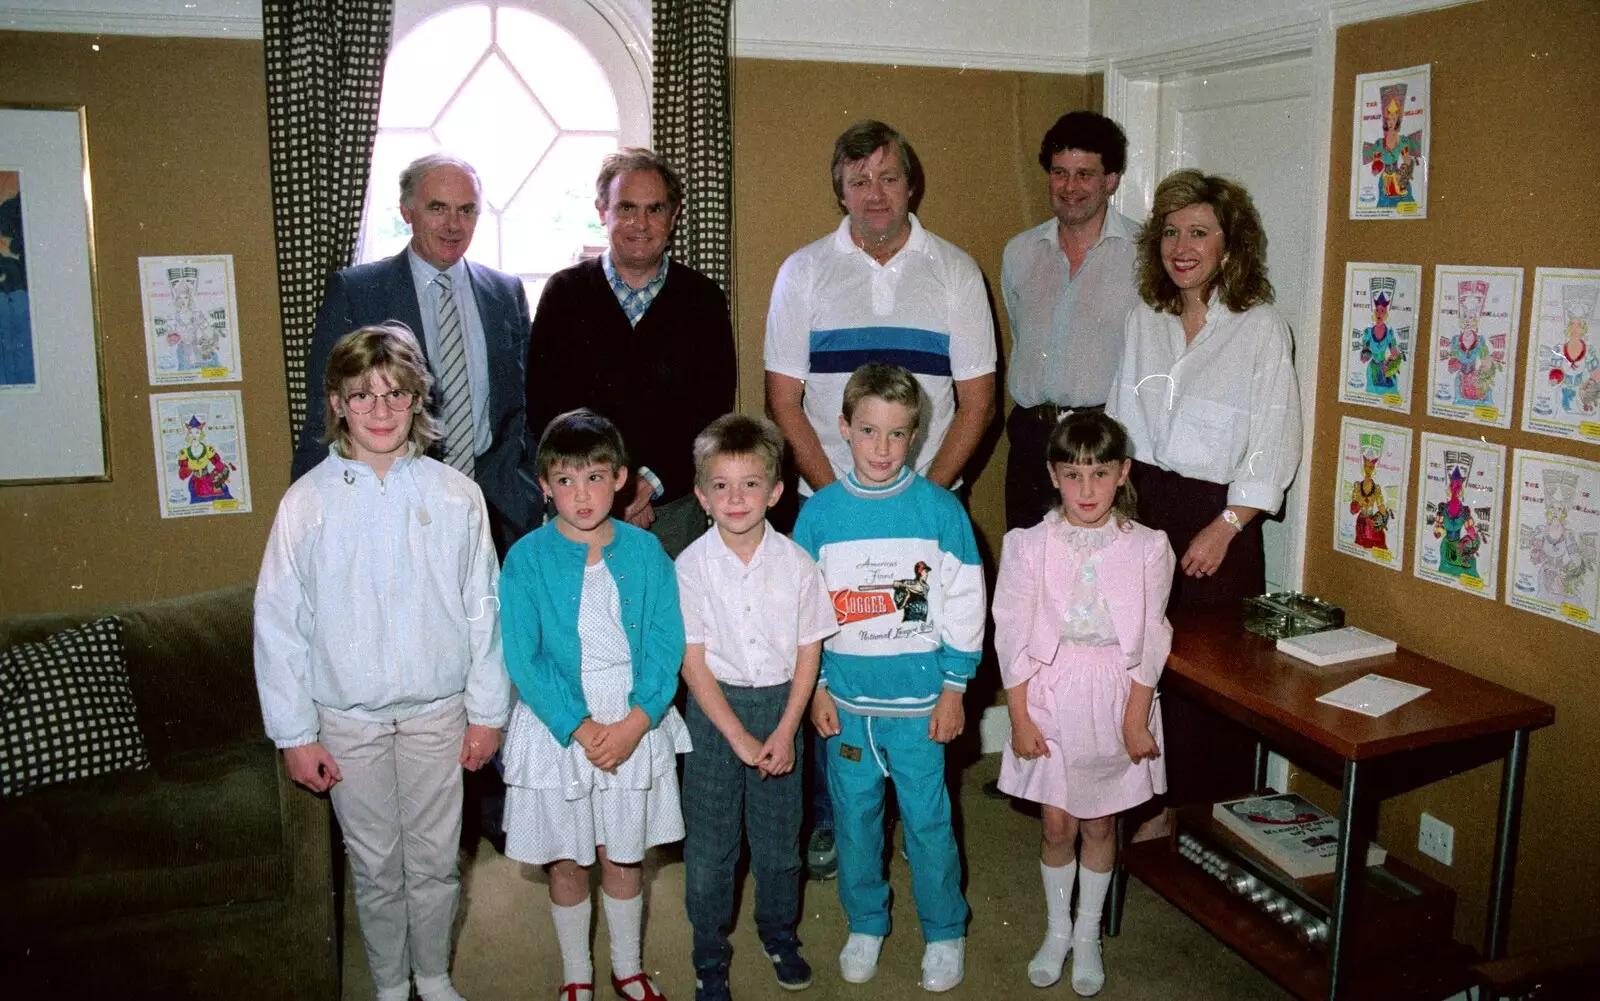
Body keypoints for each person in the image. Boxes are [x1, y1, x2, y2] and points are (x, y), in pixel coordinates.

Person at [765, 119, 996, 879]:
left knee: (913, 660)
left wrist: (913, 498)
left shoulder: (956, 271)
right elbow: (784, 399)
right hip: (828, 508)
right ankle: (837, 821)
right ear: (840, 187)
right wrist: (845, 501)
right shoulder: (802, 271)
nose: (874, 194)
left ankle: (922, 820)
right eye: (858, 180)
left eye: (888, 178)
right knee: (833, 665)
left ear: (911, 184)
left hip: (922, 520)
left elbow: (977, 400)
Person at [254, 322, 510, 1001]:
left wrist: (487, 713)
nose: (380, 409)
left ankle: (432, 972)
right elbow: (280, 623)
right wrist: (296, 733)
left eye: (396, 393)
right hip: (348, 719)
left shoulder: (456, 495)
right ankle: (392, 984)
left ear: (418, 399)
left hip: (438, 712)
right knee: (373, 863)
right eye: (362, 395)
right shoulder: (306, 503)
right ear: (336, 402)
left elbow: (484, 609)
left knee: (434, 860)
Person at [1106, 168, 1302, 830]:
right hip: (1145, 505)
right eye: (1169, 232)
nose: (1181, 246)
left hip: (1222, 519)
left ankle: (1199, 819)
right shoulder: (1145, 319)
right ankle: (1143, 803)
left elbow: (1274, 444)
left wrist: (1225, 526)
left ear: (1229, 243)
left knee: (1212, 682)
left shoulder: (1260, 327)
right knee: (1137, 662)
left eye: (1199, 232)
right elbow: (1119, 423)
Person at [794, 363, 986, 994]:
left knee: (929, 824)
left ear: (916, 436)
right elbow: (806, 610)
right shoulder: (819, 516)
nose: (882, 448)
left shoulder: (939, 512)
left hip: (921, 705)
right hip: (847, 706)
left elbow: (964, 602)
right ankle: (866, 922)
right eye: (870, 431)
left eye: (898, 434)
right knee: (855, 822)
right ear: (844, 428)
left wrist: (956, 686)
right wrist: (818, 685)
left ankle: (944, 930)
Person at [499, 409, 691, 1001]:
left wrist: (637, 721)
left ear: (622, 479)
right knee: (567, 857)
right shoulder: (526, 559)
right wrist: (579, 727)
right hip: (561, 723)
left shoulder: (647, 552)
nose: (580, 495)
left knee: (623, 854)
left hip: (633, 715)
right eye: (565, 481)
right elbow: (523, 657)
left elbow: (666, 643)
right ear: (545, 486)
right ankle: (577, 974)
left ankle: (626, 966)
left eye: (594, 478)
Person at [990, 411, 1174, 996]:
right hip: (1047, 687)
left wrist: (1133, 718)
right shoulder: (1028, 545)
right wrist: (1018, 718)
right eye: (1073, 475)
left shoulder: (1148, 548)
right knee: (1055, 823)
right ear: (1052, 475)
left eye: (1099, 474)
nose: (1087, 490)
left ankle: (1088, 933)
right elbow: (1011, 633)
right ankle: (1056, 930)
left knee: (1100, 822)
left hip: (1116, 692)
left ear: (1122, 474)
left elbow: (1150, 637)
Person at [291, 153, 541, 558]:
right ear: (407, 211)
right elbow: (325, 412)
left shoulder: (505, 293)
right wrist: (310, 518)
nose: (453, 225)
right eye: (437, 208)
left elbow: (529, 404)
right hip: (389, 510)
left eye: (466, 210)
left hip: (500, 514)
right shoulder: (358, 291)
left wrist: (528, 487)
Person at [675, 414, 839, 1001]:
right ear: (701, 495)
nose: (736, 498)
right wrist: (739, 739)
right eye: (721, 485)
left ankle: (779, 934)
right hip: (714, 713)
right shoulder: (689, 567)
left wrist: (788, 726)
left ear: (775, 491)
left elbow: (808, 649)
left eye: (750, 485)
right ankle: (709, 955)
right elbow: (692, 664)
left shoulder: (798, 565)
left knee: (777, 843)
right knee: (711, 850)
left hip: (779, 709)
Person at [527, 148, 737, 559]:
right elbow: (544, 409)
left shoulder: (703, 299)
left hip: (671, 513)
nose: (640, 223)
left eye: (654, 209)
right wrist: (610, 487)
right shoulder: (563, 294)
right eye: (626, 208)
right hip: (579, 508)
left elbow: (711, 410)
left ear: (674, 216)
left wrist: (646, 484)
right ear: (602, 211)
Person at [1000, 111, 1139, 531]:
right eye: (1060, 173)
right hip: (1030, 439)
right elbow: (1021, 336)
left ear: (1111, 180)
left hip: (1101, 442)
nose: (1070, 187)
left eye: (1085, 174)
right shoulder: (1020, 252)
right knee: (1029, 570)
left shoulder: (1143, 254)